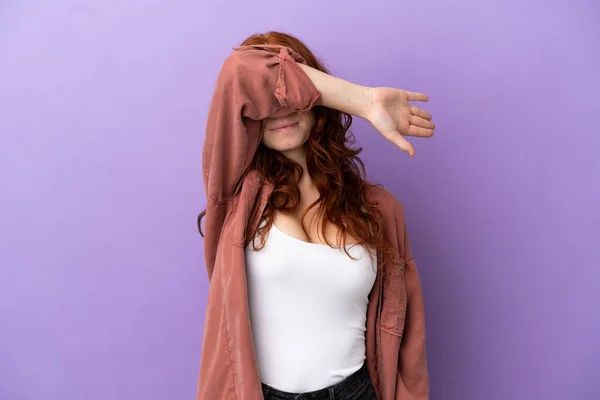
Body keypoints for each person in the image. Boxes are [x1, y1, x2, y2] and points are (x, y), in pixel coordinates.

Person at [197, 31, 433, 400]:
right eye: (267, 101)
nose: (281, 109)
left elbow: (408, 340)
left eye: (293, 97)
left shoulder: (380, 210)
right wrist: (365, 100)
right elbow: (239, 69)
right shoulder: (236, 199)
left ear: (316, 102)